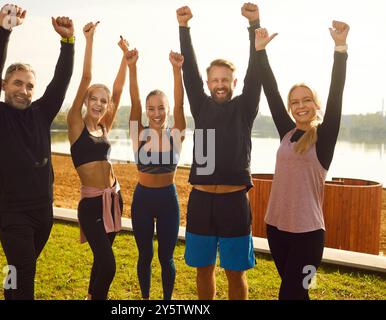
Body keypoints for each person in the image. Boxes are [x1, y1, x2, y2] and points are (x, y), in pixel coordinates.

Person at [0, 4, 74, 300]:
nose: (25, 91)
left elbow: (61, 82)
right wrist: (4, 30)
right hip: (13, 212)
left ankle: (8, 288)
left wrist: (67, 42)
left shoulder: (40, 113)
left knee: (17, 269)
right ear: (5, 86)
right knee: (26, 276)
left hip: (44, 212)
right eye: (18, 83)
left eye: (30, 86)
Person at [254, 21, 349, 300]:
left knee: (291, 295)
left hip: (308, 236)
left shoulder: (324, 137)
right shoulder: (287, 133)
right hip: (276, 228)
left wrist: (340, 49)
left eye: (306, 100)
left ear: (315, 105)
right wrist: (260, 52)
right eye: (294, 102)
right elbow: (271, 92)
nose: (300, 105)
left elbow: (337, 93)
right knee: (298, 294)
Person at [176, 3, 262, 300]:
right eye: (215, 80)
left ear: (233, 83)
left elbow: (256, 73)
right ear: (208, 83)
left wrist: (254, 26)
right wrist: (183, 28)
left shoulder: (245, 107)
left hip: (234, 203)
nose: (220, 84)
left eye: (225, 80)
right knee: (204, 269)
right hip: (200, 201)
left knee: (235, 272)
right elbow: (188, 71)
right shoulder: (200, 106)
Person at [67, 21, 128, 300]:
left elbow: (117, 92)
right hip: (91, 205)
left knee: (101, 263)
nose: (100, 104)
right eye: (94, 98)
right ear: (86, 100)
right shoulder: (75, 124)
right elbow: (85, 77)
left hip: (114, 198)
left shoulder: (104, 126)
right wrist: (89, 40)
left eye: (103, 101)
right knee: (108, 263)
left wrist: (125, 59)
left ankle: (93, 297)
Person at [125, 48, 186, 300]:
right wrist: (132, 67)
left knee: (166, 257)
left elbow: (181, 102)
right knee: (145, 256)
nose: (157, 113)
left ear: (168, 110)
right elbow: (135, 101)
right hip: (142, 201)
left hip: (168, 201)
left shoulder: (176, 134)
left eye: (161, 108)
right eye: (151, 109)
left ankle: (167, 302)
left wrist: (176, 70)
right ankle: (146, 301)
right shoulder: (138, 133)